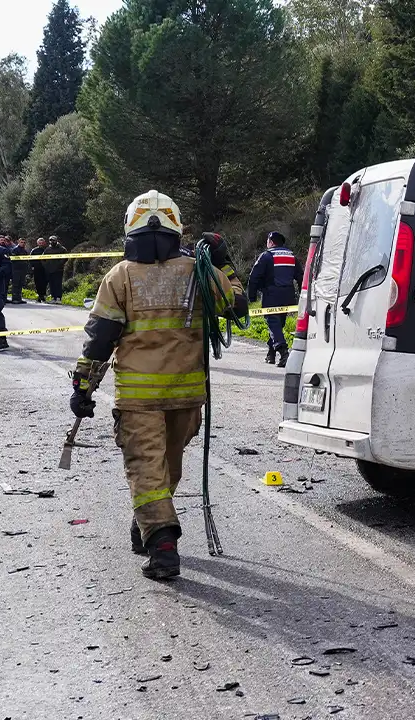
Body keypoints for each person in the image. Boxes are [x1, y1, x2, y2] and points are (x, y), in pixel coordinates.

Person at [68, 190, 247, 580]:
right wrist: (224, 263)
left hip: (138, 398)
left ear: (129, 228)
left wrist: (82, 386)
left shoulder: (121, 276)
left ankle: (163, 545)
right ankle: (146, 524)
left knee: (146, 469)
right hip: (187, 396)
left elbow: (100, 338)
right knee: (167, 465)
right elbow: (239, 306)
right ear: (176, 227)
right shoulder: (199, 272)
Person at [248, 231, 299, 367]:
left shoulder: (266, 256)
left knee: (273, 324)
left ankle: (283, 352)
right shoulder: (292, 256)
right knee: (277, 325)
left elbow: (254, 277)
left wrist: (251, 296)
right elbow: (301, 276)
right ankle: (271, 354)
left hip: (271, 296)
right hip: (288, 296)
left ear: (271, 242)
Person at [45, 235, 68, 303]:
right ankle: (53, 298)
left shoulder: (62, 249)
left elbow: (65, 257)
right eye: (51, 240)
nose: (52, 241)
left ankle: (58, 298)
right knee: (51, 284)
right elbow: (42, 258)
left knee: (58, 284)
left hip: (58, 269)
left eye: (54, 240)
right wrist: (46, 265)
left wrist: (59, 264)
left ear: (57, 240)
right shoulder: (47, 249)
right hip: (50, 269)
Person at [9, 238, 29, 304]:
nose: (23, 243)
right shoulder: (15, 250)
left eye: (24, 242)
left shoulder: (25, 251)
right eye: (21, 242)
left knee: (20, 284)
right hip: (16, 270)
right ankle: (14, 298)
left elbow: (27, 260)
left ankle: (19, 298)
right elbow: (13, 260)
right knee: (15, 284)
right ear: (18, 242)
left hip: (22, 270)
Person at [30, 237, 49, 301]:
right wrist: (32, 267)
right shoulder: (34, 250)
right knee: (37, 282)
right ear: (37, 243)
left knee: (44, 282)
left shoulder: (47, 250)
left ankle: (43, 295)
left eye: (42, 242)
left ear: (44, 243)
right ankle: (39, 295)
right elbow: (30, 259)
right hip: (37, 268)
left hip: (45, 268)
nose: (41, 244)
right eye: (39, 243)